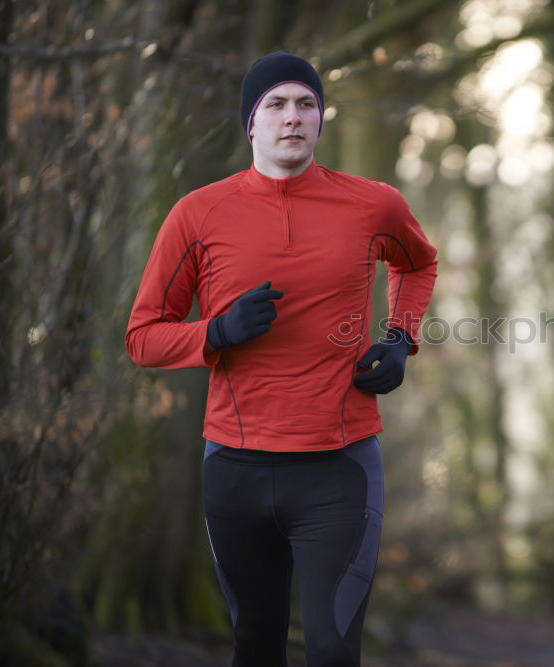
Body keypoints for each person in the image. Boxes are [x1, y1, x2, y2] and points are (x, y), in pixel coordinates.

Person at [124, 51, 438, 666]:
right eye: (275, 104)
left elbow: (418, 262)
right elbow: (143, 336)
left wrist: (401, 338)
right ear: (251, 122)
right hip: (235, 470)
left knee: (330, 649)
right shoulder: (197, 213)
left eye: (306, 104)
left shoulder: (373, 205)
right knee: (255, 647)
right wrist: (214, 332)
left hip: (339, 469)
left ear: (321, 120)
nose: (292, 117)